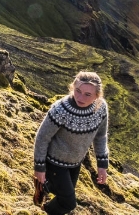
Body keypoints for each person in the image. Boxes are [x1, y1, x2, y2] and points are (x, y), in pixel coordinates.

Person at [33, 71, 109, 214]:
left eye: (88, 94)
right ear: (73, 87)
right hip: (53, 162)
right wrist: (39, 168)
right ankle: (45, 209)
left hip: (75, 163)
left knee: (61, 193)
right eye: (78, 91)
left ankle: (43, 187)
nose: (80, 97)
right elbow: (42, 138)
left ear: (97, 95)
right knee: (68, 203)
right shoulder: (60, 109)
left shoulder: (101, 108)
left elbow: (100, 136)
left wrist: (102, 165)